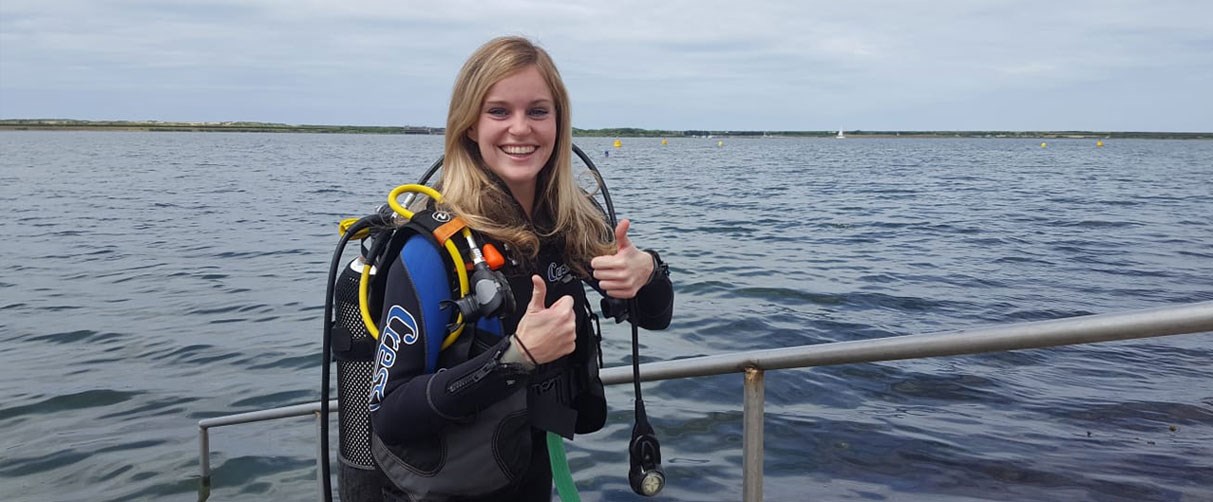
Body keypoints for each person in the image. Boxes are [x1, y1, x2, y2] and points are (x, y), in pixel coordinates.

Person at [367, 36, 674, 501]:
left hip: (533, 479)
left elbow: (655, 316)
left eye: (537, 111)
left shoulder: (571, 224)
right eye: (498, 112)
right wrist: (515, 358)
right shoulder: (432, 248)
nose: (520, 129)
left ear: (558, 122)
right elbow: (389, 415)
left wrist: (647, 270)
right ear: (469, 125)